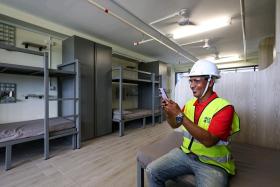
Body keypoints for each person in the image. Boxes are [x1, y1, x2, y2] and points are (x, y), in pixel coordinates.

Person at [146, 59, 240, 187]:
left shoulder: (224, 108)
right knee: (152, 171)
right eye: (191, 80)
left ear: (210, 82)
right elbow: (175, 124)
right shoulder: (189, 105)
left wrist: (180, 114)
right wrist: (169, 113)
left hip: (213, 164)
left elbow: (209, 141)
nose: (191, 85)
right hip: (185, 154)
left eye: (197, 81)